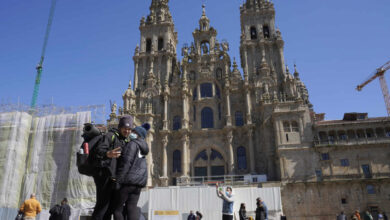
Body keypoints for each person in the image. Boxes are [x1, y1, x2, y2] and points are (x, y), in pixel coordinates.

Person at [92, 116, 133, 220]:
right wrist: (107, 153)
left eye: (129, 129)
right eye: (125, 128)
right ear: (120, 127)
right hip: (105, 177)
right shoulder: (110, 136)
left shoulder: (126, 141)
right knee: (102, 208)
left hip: (116, 180)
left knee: (111, 209)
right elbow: (98, 151)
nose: (127, 131)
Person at [110, 123, 150, 220]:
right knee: (131, 208)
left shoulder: (132, 144)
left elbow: (126, 163)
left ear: (138, 134)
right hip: (139, 183)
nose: (131, 133)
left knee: (117, 209)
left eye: (133, 131)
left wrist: (118, 181)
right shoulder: (143, 147)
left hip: (128, 182)